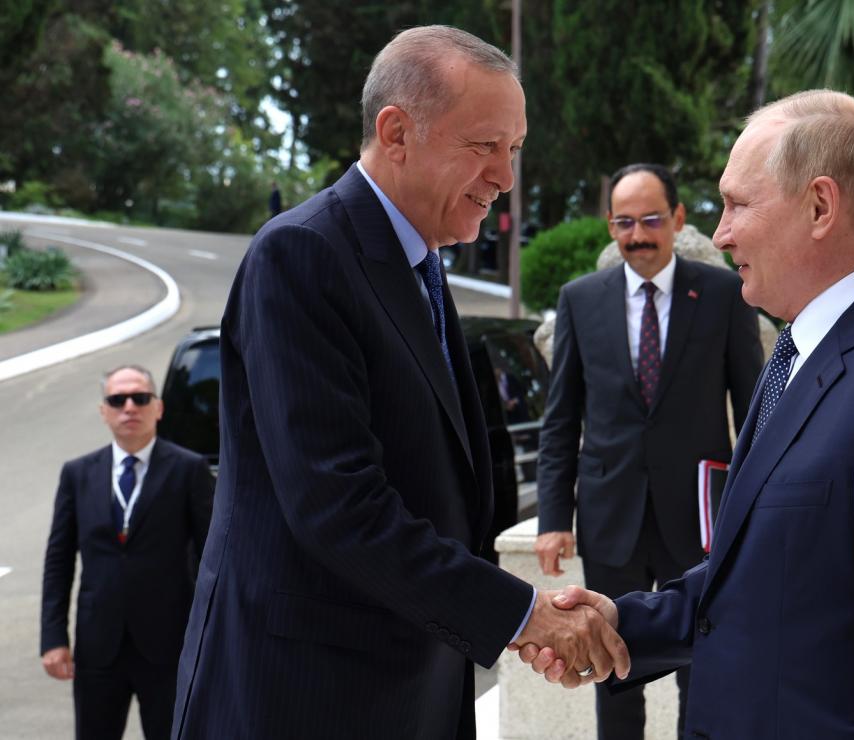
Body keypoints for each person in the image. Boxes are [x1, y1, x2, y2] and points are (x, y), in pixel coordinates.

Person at [171, 26, 626, 740]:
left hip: (407, 686)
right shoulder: (303, 254)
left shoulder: (421, 263)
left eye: (513, 149)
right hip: (304, 697)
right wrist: (522, 615)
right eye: (484, 145)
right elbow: (337, 505)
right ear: (396, 133)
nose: (505, 177)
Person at [517, 90, 854, 738]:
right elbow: (762, 578)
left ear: (820, 207)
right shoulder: (799, 351)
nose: (720, 234)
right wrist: (622, 621)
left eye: (738, 204)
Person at [535, 163, 763, 738]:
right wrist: (553, 519)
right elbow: (561, 418)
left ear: (678, 219)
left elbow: (755, 411)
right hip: (610, 516)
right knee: (609, 664)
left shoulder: (723, 294)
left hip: (697, 520)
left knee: (702, 664)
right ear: (611, 226)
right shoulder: (579, 300)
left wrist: (756, 510)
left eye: (651, 220)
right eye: (624, 222)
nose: (637, 235)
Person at [40, 365, 214, 740]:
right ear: (104, 411)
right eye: (118, 400)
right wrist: (53, 638)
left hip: (169, 645)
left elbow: (211, 561)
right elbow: (58, 561)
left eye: (140, 398)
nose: (130, 407)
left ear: (158, 407)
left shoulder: (189, 469)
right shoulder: (77, 474)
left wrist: (211, 636)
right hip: (98, 647)